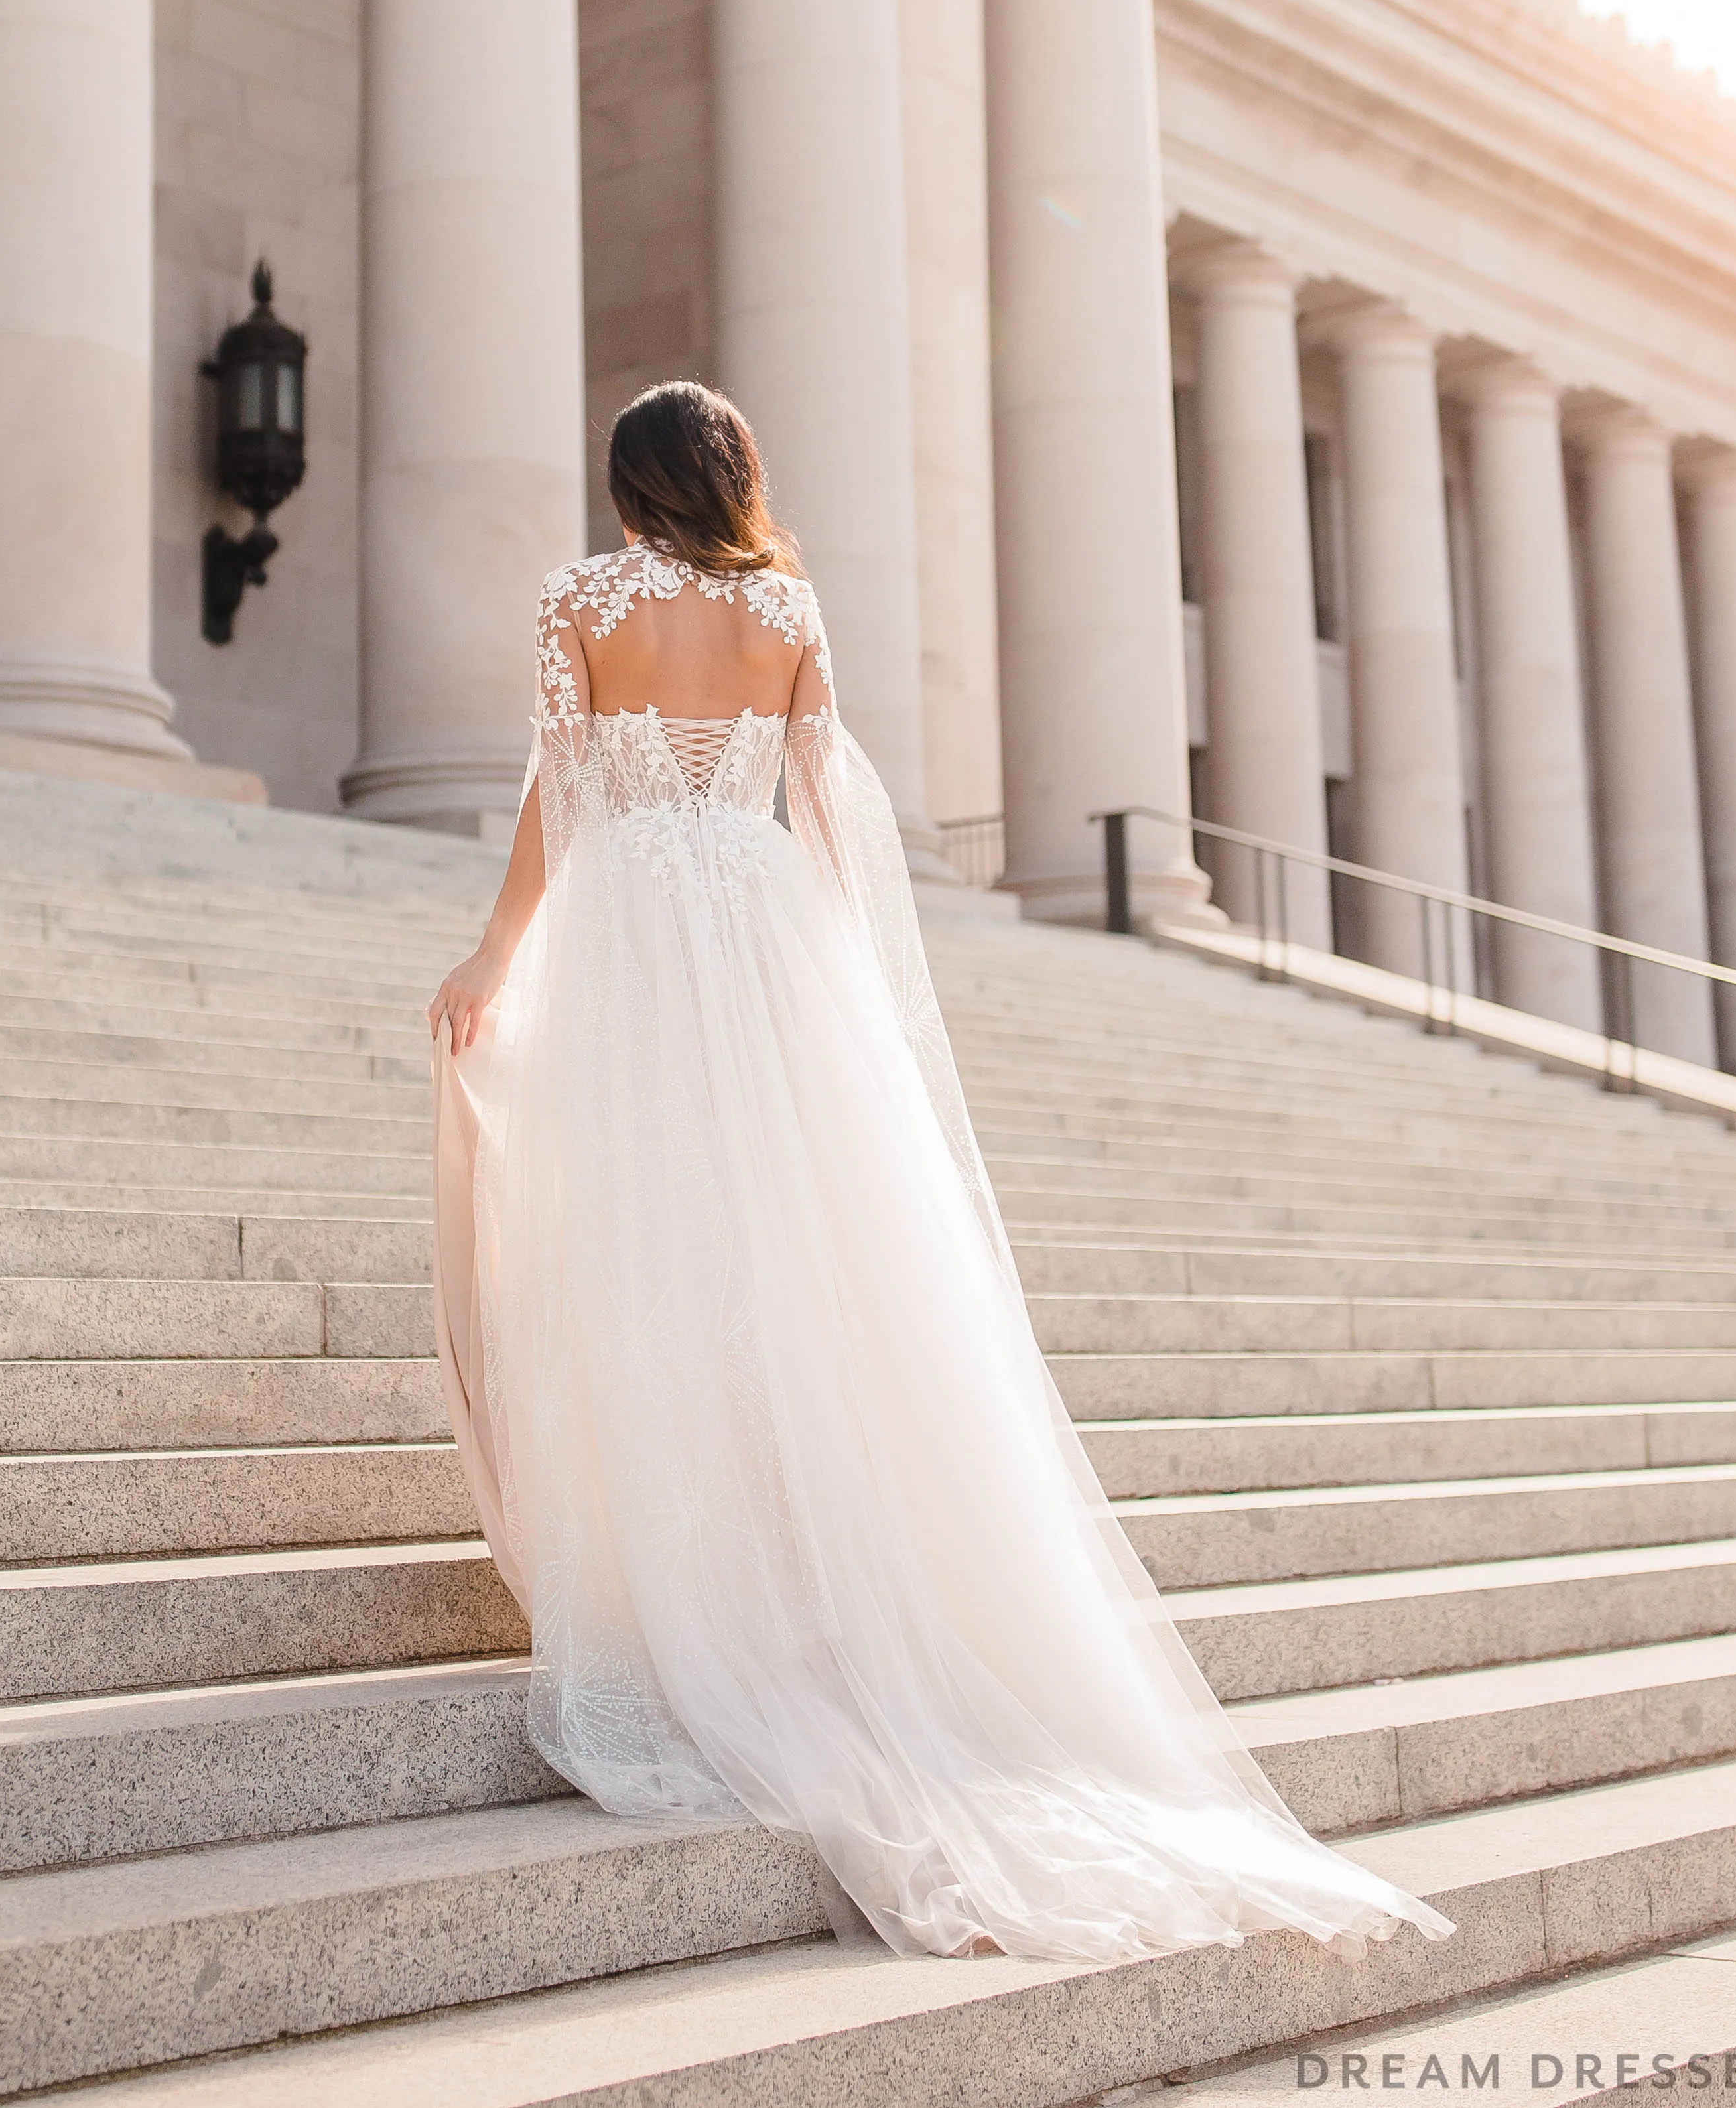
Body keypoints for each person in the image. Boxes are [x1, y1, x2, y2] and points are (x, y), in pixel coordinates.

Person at [426, 379, 1449, 1969]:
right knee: (787, 1255)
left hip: (635, 925)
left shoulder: (580, 598)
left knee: (646, 1244)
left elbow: (560, 800)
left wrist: (497, 954)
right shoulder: (787, 608)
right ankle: (802, 1575)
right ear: (736, 474)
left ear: (629, 484)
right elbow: (829, 812)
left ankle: (675, 1585)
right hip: (763, 933)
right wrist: (847, 1005)